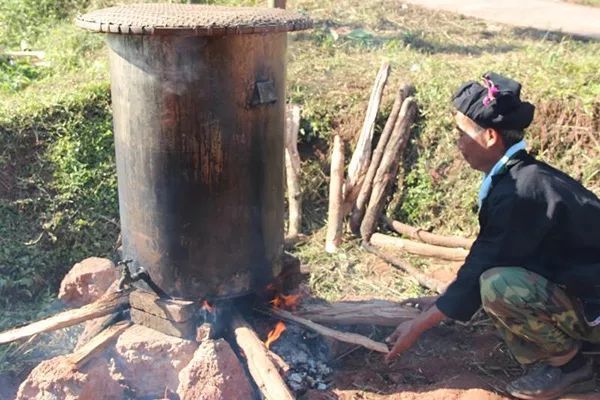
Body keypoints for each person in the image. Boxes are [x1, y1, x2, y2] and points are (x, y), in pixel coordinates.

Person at [384, 72, 600, 400]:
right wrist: (442, 303)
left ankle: (571, 369)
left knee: (498, 286)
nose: (457, 144)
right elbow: (493, 251)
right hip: (585, 292)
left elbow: (487, 262)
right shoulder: (521, 179)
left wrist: (420, 325)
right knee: (490, 280)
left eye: (461, 134)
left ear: (488, 137)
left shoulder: (522, 192)